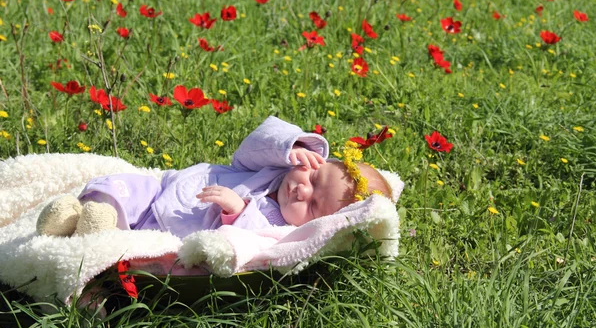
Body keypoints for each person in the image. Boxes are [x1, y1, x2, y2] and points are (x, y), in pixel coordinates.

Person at [36, 116, 393, 238]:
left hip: (167, 231)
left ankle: (93, 236)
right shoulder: (279, 168)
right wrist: (291, 145)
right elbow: (251, 147)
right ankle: (76, 214)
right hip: (164, 190)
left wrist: (238, 212)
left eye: (314, 205)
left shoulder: (284, 230)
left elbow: (249, 248)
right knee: (117, 185)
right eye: (313, 178)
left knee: (121, 244)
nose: (301, 191)